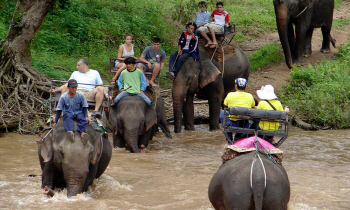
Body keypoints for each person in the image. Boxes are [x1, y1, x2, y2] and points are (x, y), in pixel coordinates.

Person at [219, 78, 255, 142]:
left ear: (235, 86)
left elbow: (225, 104)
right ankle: (238, 136)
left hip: (232, 123)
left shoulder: (230, 94)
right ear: (246, 86)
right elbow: (253, 106)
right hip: (244, 124)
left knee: (223, 112)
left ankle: (229, 137)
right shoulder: (250, 96)